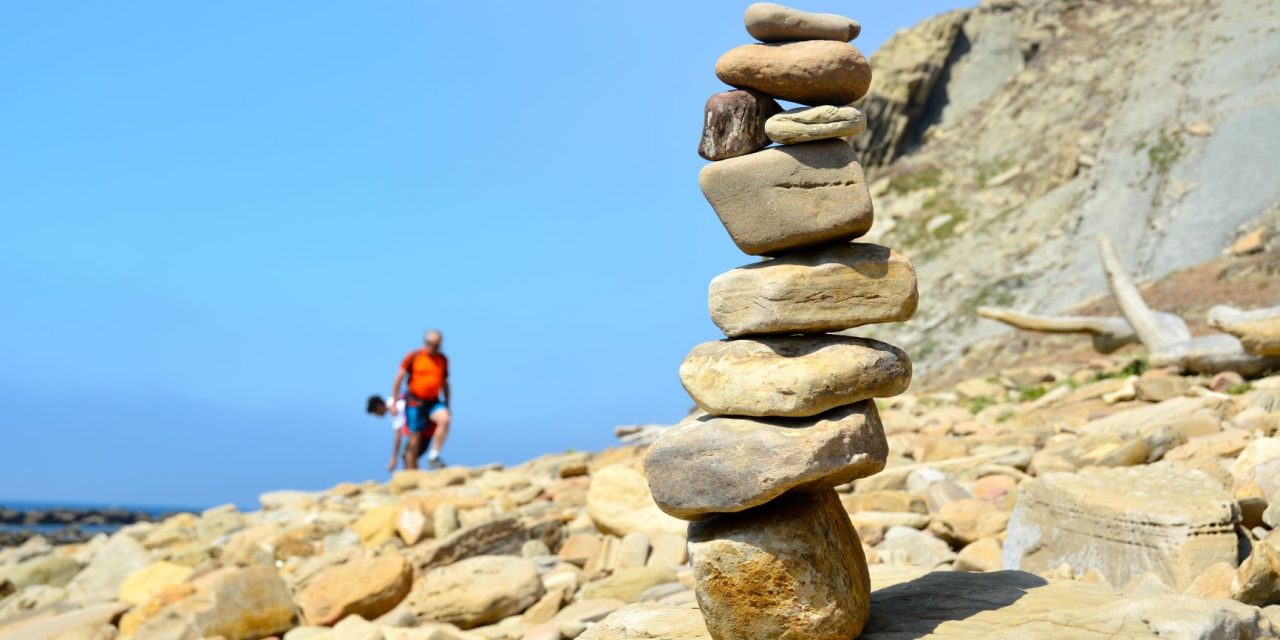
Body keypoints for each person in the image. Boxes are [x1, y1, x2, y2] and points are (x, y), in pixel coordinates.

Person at [390, 329, 451, 470]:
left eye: (439, 346)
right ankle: (411, 472)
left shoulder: (442, 359)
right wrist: (394, 402)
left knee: (445, 419)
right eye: (434, 345)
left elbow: (445, 383)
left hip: (433, 401)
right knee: (415, 439)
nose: (437, 349)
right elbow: (399, 378)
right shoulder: (414, 356)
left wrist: (447, 404)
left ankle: (434, 456)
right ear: (427, 344)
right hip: (414, 401)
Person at [366, 395, 412, 471]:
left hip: (422, 425)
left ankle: (412, 477)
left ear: (379, 406)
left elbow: (398, 436)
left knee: (406, 454)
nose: (376, 415)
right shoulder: (393, 399)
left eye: (375, 412)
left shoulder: (393, 409)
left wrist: (394, 458)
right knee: (407, 454)